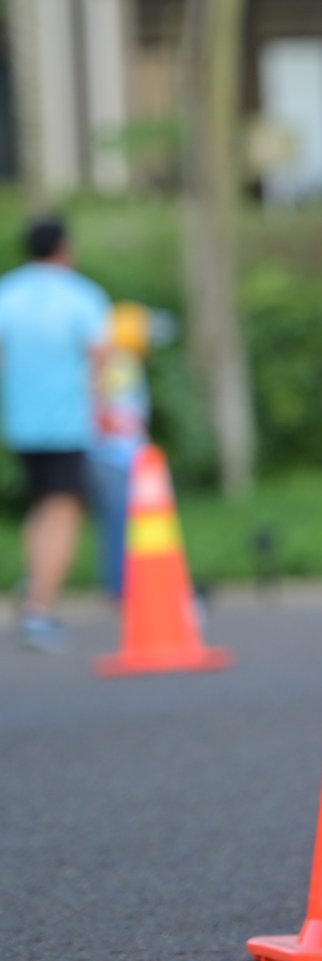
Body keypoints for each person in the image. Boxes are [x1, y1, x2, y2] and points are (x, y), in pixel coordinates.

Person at [0, 215, 110, 651]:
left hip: (22, 422)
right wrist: (101, 404)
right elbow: (101, 357)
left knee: (43, 505)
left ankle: (35, 588)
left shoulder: (8, 292)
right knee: (64, 512)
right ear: (64, 247)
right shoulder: (81, 295)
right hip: (67, 422)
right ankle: (40, 610)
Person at [88, 302, 179, 596]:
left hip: (105, 453)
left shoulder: (105, 361)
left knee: (116, 522)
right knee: (122, 523)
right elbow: (117, 413)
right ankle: (124, 587)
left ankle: (123, 584)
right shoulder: (122, 363)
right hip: (117, 455)